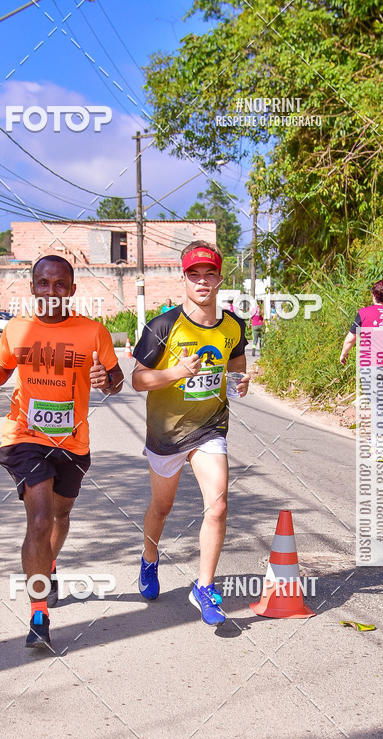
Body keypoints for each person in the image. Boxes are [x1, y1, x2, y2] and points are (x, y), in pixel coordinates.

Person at [0, 255, 123, 649]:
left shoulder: (93, 332)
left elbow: (117, 380)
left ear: (72, 290)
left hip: (73, 442)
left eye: (60, 284)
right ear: (33, 287)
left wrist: (106, 379)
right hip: (25, 437)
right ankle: (39, 614)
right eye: (43, 283)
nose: (51, 291)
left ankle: (50, 564)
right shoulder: (17, 329)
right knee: (39, 519)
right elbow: (2, 371)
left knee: (61, 515)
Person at [132, 241, 249, 625]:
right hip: (165, 434)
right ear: (183, 278)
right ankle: (149, 560)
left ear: (219, 278)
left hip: (209, 428)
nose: (202, 281)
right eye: (194, 275)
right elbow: (138, 380)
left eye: (209, 274)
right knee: (161, 508)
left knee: (217, 505)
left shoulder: (232, 325)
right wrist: (175, 373)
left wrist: (239, 384)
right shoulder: (163, 326)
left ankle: (204, 587)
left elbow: (235, 366)